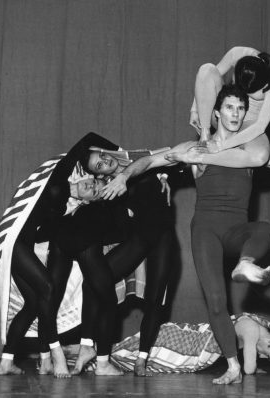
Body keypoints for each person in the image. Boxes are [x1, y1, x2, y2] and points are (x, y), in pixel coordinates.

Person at [101, 84, 270, 385]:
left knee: (266, 228)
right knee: (217, 301)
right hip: (205, 231)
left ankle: (245, 262)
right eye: (231, 108)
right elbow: (151, 160)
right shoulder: (196, 149)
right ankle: (232, 366)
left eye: (241, 108)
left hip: (237, 229)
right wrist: (123, 174)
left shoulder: (252, 152)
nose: (236, 113)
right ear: (218, 113)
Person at [0, 133, 120, 378]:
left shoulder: (63, 211)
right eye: (93, 181)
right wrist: (121, 155)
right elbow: (87, 140)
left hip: (21, 243)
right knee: (49, 289)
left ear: (87, 201)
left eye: (93, 191)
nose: (91, 186)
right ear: (85, 173)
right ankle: (56, 354)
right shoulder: (61, 177)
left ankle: (6, 361)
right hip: (12, 238)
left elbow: (43, 234)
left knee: (34, 303)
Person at [47, 141, 176, 377]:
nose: (105, 160)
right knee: (94, 282)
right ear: (98, 174)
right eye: (99, 165)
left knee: (156, 299)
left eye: (102, 155)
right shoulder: (105, 190)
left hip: (164, 236)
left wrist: (164, 176)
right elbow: (107, 221)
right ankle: (88, 344)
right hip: (142, 238)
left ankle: (142, 359)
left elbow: (172, 157)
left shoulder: (137, 160)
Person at [110, 313, 270, 375]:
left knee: (122, 354)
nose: (262, 356)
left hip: (181, 337)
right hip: (184, 342)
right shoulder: (252, 329)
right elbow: (248, 368)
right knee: (119, 354)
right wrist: (261, 364)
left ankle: (93, 353)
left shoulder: (264, 326)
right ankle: (93, 352)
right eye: (266, 354)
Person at [190, 46, 270, 163]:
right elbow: (204, 79)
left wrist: (222, 146)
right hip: (223, 117)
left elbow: (259, 127)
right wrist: (194, 110)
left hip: (246, 127)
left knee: (261, 157)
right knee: (206, 68)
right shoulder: (238, 53)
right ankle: (205, 134)